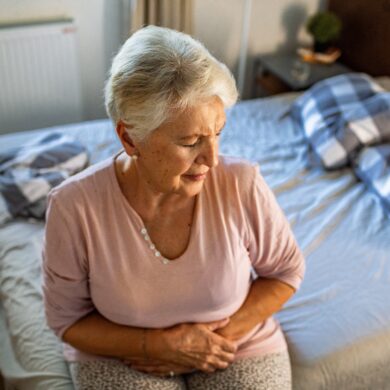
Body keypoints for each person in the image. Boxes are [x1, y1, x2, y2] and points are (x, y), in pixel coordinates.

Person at [42, 25, 305, 390]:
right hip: (122, 354)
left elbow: (286, 272)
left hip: (233, 344)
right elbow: (66, 322)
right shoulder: (73, 207)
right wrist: (159, 346)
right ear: (129, 138)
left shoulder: (242, 182)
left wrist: (209, 343)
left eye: (218, 133)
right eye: (191, 141)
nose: (212, 159)